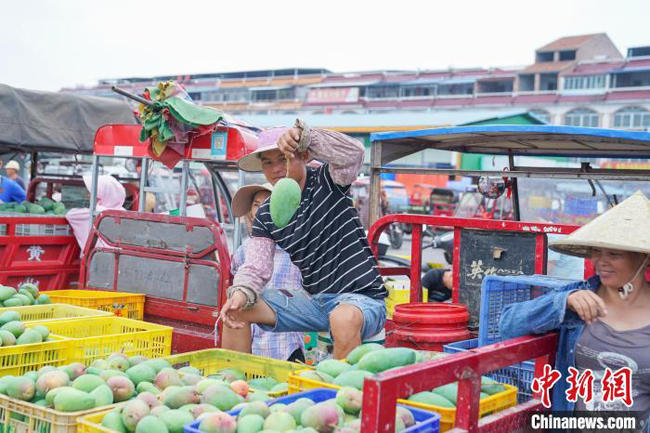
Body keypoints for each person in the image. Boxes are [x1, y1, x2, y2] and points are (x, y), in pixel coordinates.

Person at [219, 120, 387, 359]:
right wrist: (241, 292)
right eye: (268, 162)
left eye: (283, 158)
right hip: (314, 303)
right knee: (236, 309)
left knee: (343, 318)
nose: (276, 169)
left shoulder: (326, 181)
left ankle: (336, 384)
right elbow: (256, 266)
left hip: (362, 300)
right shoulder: (266, 213)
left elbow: (354, 154)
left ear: (304, 156)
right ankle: (232, 378)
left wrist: (307, 136)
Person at [500, 191, 650, 428]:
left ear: (644, 257)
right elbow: (508, 323)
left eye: (613, 254)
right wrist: (563, 302)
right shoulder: (577, 296)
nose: (601, 261)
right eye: (596, 251)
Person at [231, 183, 305, 362]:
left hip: (286, 344)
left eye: (269, 204)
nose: (261, 210)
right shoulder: (245, 249)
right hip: (252, 340)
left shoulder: (297, 249)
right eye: (256, 205)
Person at [66, 175, 125, 252]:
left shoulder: (97, 211)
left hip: (99, 256)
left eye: (92, 192)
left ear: (101, 195)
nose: (88, 195)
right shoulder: (123, 211)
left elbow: (70, 215)